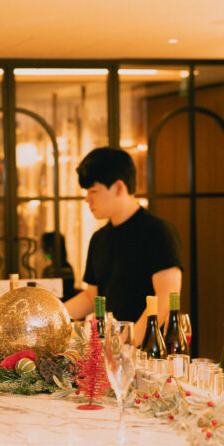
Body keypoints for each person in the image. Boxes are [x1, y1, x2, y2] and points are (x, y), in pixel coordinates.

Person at [63, 147, 183, 343]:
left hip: (151, 349)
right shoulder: (99, 238)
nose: (87, 199)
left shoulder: (158, 231)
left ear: (119, 187)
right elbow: (91, 297)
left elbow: (165, 299)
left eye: (93, 191)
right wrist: (52, 316)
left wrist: (126, 342)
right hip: (112, 347)